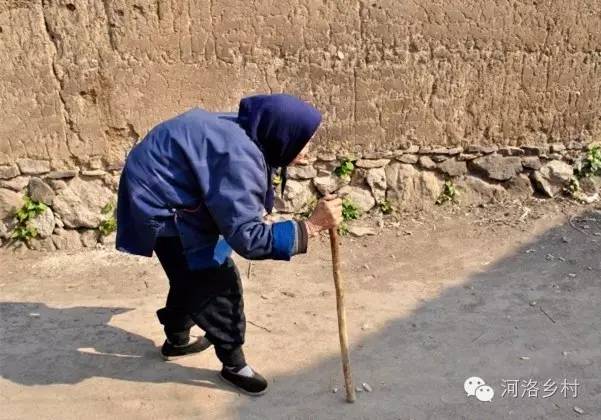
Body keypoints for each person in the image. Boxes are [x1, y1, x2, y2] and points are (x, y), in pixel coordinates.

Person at [115, 94, 343, 396]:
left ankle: (178, 339)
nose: (306, 151)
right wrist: (311, 226)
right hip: (159, 202)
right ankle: (234, 364)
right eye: (302, 141)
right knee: (217, 282)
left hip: (160, 184)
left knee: (188, 274)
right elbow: (249, 239)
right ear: (282, 135)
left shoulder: (251, 130)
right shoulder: (239, 158)